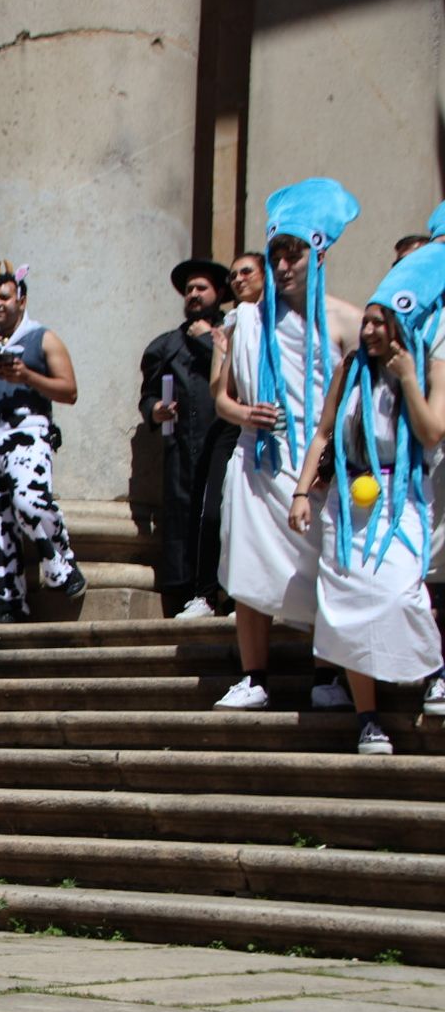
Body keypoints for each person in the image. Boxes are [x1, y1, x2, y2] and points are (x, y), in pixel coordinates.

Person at [210, 177, 363, 711]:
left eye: (293, 255)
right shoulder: (247, 319)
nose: (283, 266)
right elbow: (222, 397)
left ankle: (329, 674)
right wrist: (243, 412)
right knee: (250, 570)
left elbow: (353, 402)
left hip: (318, 464)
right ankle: (254, 676)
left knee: (324, 565)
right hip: (259, 459)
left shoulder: (347, 319)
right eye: (276, 255)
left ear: (316, 253)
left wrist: (333, 458)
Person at [288, 243, 445, 752]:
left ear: (404, 325)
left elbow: (430, 433)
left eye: (382, 322)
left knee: (403, 592)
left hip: (402, 499)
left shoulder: (430, 367)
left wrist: (407, 380)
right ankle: (368, 718)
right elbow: (322, 433)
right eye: (368, 321)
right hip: (347, 504)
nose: (371, 329)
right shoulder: (348, 369)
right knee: (348, 606)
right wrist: (302, 491)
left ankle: (433, 669)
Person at [0, 261, 86, 623]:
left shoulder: (43, 337)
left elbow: (69, 391)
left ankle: (61, 562)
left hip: (27, 427)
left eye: (5, 297)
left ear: (21, 301)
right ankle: (4, 595)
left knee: (29, 500)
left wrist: (26, 374)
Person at [139, 259, 231, 618]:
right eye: (189, 289)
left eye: (201, 288)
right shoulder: (166, 346)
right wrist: (155, 409)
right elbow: (147, 395)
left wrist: (209, 340)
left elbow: (237, 371)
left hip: (222, 440)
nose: (193, 295)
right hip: (181, 446)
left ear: (218, 293)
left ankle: (221, 592)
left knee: (218, 515)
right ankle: (186, 592)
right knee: (182, 517)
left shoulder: (233, 334)